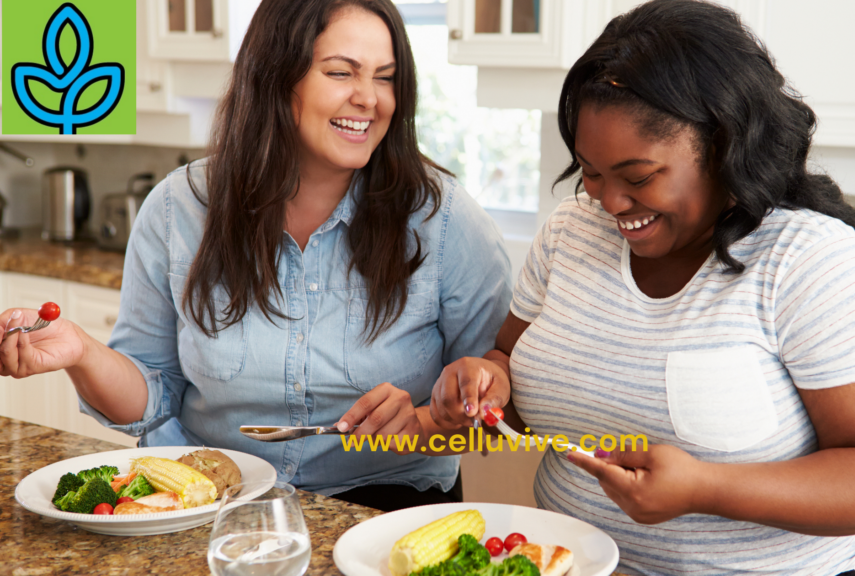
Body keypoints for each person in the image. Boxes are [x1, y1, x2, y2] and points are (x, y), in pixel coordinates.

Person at [429, 0, 855, 573]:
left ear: (723, 144)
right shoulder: (571, 235)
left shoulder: (811, 262)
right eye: (591, 172)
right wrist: (486, 383)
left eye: (638, 177)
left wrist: (706, 488)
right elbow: (518, 385)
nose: (610, 202)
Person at [0, 0, 511, 511]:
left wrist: (434, 421)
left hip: (382, 507)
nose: (369, 99)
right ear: (274, 76)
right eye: (340, 72)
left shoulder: (443, 220)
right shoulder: (179, 207)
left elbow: (493, 416)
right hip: (208, 500)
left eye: (386, 77)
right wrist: (82, 353)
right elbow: (153, 397)